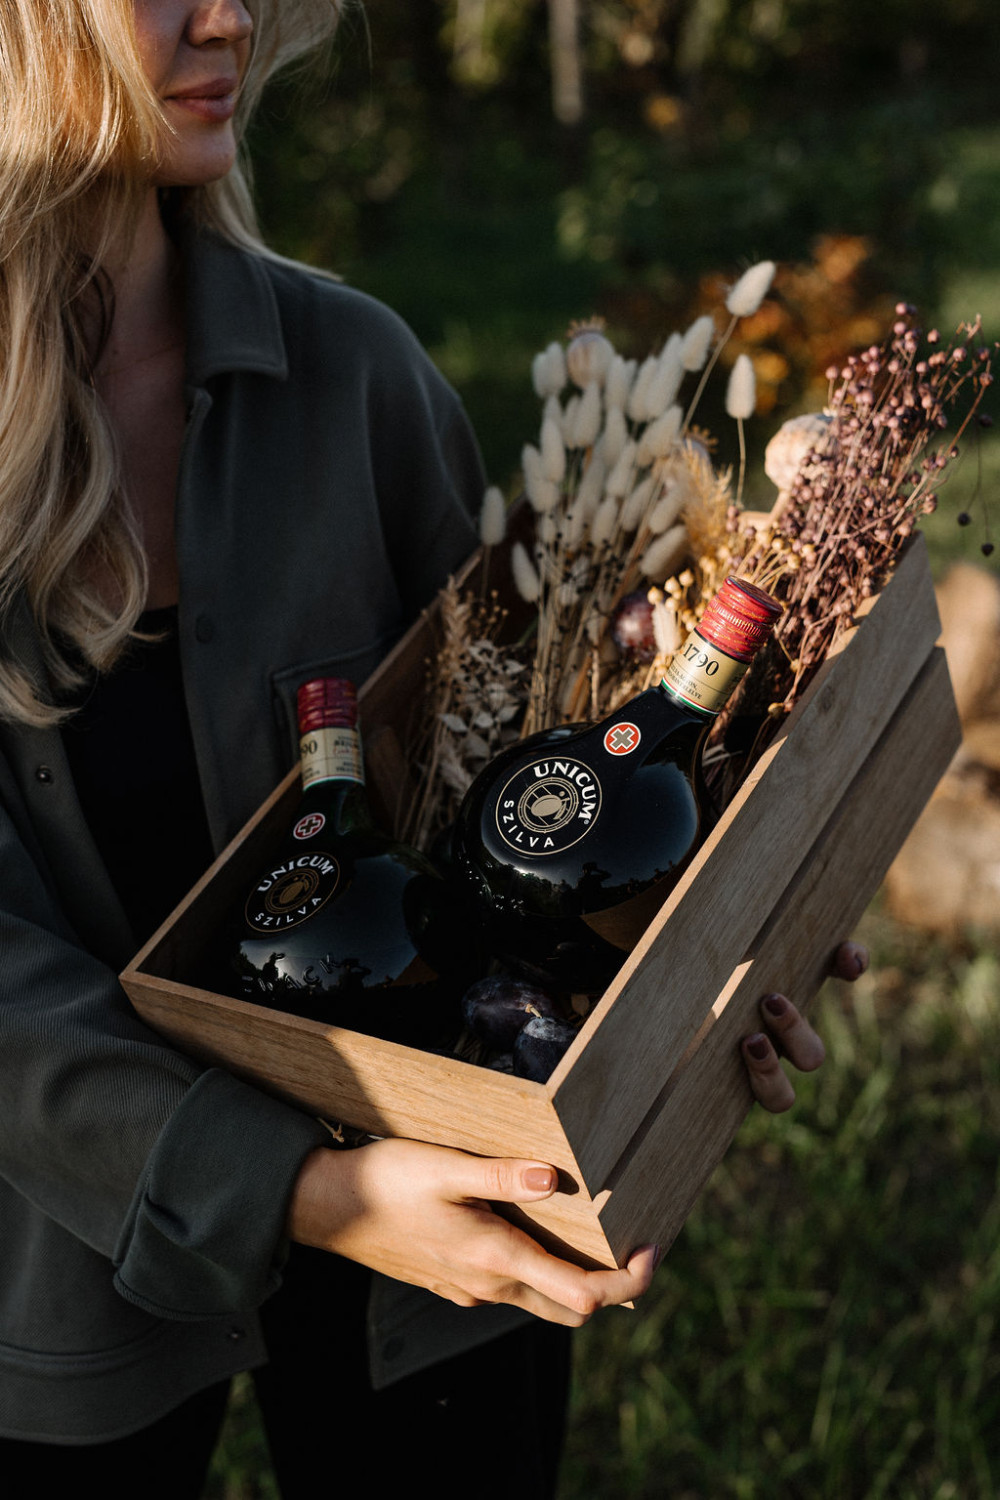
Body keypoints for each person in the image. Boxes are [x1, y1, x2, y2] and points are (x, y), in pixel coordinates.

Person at [0, 2, 865, 1495]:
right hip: (55, 1262)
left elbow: (516, 802)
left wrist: (717, 924)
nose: (231, 13)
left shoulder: (358, 379)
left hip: (448, 1246)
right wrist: (306, 1191)